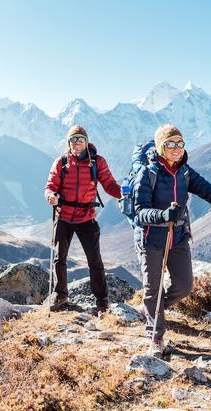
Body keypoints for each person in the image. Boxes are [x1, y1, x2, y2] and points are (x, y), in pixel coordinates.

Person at [133, 124, 211, 355]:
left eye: (180, 144)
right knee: (153, 289)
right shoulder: (148, 173)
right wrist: (162, 215)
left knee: (184, 286)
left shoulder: (185, 172)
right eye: (171, 144)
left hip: (178, 237)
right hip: (152, 239)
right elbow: (139, 211)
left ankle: (151, 309)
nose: (176, 148)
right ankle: (156, 337)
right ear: (162, 147)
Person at [45, 125, 122, 314]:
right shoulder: (61, 162)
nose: (77, 142)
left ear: (86, 142)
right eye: (73, 139)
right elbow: (50, 185)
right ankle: (60, 294)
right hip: (63, 215)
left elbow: (109, 184)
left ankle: (102, 301)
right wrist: (51, 196)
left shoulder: (97, 162)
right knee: (59, 258)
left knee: (94, 260)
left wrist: (123, 194)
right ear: (68, 142)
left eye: (80, 139)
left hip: (86, 217)